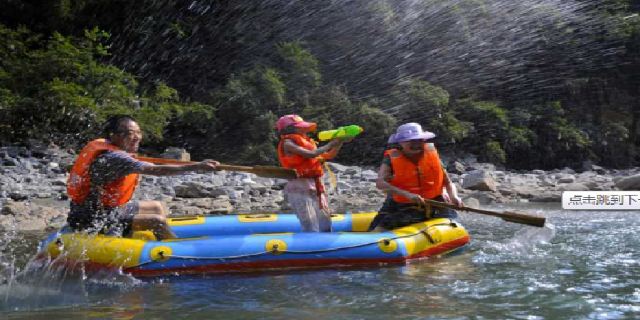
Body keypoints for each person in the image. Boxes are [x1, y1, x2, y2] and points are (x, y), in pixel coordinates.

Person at [66, 115, 219, 239]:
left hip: (105, 209)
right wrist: (197, 166)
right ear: (113, 136)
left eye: (138, 132)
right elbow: (156, 171)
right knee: (157, 221)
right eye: (129, 133)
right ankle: (176, 251)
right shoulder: (114, 157)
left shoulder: (108, 148)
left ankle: (140, 236)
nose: (136, 137)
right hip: (92, 219)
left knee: (157, 206)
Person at [369, 122, 463, 231]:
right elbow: (380, 183)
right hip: (404, 201)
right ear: (401, 143)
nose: (417, 144)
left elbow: (447, 181)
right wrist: (407, 195)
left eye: (420, 140)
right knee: (376, 228)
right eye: (412, 141)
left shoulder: (431, 154)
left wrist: (454, 196)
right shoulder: (391, 158)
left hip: (435, 201)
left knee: (452, 221)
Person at [276, 114, 348, 232]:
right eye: (300, 127)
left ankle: (326, 244)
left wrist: (339, 141)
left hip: (316, 185)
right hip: (299, 187)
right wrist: (330, 144)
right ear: (289, 129)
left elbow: (329, 155)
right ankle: (310, 244)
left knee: (325, 222)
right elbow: (311, 154)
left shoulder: (307, 142)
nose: (304, 129)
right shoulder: (287, 143)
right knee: (309, 223)